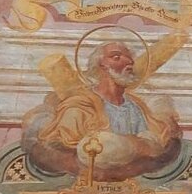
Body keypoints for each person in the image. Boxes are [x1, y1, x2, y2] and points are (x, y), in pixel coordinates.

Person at [23, 39, 182, 182]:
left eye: (130, 58)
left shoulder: (137, 107)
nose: (130, 62)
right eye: (117, 57)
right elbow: (66, 150)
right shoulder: (78, 107)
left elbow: (153, 146)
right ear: (101, 66)